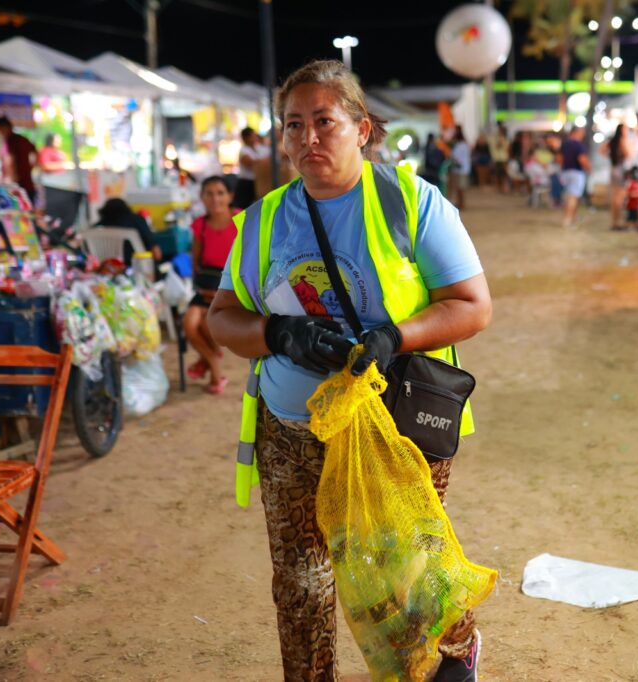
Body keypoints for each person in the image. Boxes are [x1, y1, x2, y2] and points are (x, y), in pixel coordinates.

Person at [207, 59, 491, 682]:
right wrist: (276, 333)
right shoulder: (262, 221)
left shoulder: (411, 202)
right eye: (293, 124)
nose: (307, 137)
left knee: (403, 568)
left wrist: (395, 336)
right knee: (301, 583)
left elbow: (473, 306)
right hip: (292, 429)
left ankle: (453, 649)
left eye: (324, 121)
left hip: (393, 426)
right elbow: (220, 318)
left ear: (361, 129)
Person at [184, 176, 237, 395]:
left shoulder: (241, 220)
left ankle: (212, 367)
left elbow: (250, 261)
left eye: (220, 193)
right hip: (206, 287)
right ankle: (212, 360)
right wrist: (202, 287)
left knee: (207, 324)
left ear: (230, 196)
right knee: (189, 323)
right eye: (209, 194)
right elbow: (196, 262)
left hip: (231, 289)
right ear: (202, 197)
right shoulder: (201, 225)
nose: (215, 199)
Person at [94, 198, 162, 267]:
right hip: (137, 267)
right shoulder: (137, 220)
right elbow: (156, 253)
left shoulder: (98, 227)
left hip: (106, 268)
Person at [0, 116, 38, 204]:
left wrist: (10, 181)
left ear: (4, 127)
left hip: (16, 188)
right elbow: (35, 154)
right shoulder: (22, 139)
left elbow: (9, 161)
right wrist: (29, 168)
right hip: (27, 185)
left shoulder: (9, 142)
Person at [557, 127, 590, 228]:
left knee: (569, 197)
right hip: (576, 173)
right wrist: (589, 168)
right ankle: (567, 219)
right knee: (573, 197)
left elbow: (559, 159)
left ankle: (573, 217)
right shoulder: (579, 145)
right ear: (576, 133)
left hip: (565, 172)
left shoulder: (564, 144)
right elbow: (582, 160)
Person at [603, 124, 631, 230]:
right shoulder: (622, 141)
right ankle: (617, 222)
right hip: (620, 169)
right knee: (619, 197)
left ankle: (614, 221)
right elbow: (628, 153)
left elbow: (602, 150)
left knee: (615, 197)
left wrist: (610, 156)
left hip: (613, 168)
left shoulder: (612, 141)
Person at [235, 127, 268, 209]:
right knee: (243, 206)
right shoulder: (244, 150)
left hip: (256, 182)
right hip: (246, 183)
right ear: (246, 138)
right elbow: (250, 163)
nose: (255, 138)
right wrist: (266, 160)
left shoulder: (258, 148)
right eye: (252, 136)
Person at [447, 127, 471, 210]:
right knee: (459, 188)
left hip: (461, 169)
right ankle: (460, 203)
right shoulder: (463, 145)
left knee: (461, 188)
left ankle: (462, 204)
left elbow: (455, 157)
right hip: (461, 169)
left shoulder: (461, 145)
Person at [488, 123, 510, 192]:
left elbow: (507, 148)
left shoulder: (505, 139)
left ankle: (503, 187)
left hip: (504, 158)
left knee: (504, 174)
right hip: (497, 158)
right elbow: (496, 146)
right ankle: (497, 187)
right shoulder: (496, 138)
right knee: (496, 174)